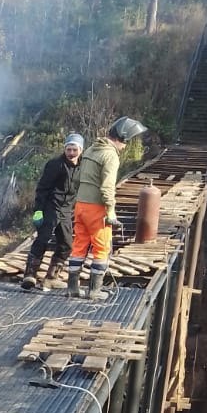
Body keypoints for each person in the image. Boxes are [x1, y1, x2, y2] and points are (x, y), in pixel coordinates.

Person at [68, 117, 147, 301]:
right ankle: (94, 291)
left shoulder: (89, 150)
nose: (125, 146)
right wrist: (110, 210)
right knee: (102, 248)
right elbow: (107, 187)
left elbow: (77, 178)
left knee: (79, 245)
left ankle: (73, 288)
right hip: (97, 208)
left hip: (80, 206)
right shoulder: (110, 155)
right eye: (126, 142)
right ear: (122, 137)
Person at [21, 134, 83, 291]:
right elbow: (42, 188)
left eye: (74, 149)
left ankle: (51, 278)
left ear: (81, 150)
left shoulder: (83, 168)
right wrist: (38, 211)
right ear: (64, 149)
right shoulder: (55, 164)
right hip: (51, 207)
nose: (71, 153)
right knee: (43, 239)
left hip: (67, 210)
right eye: (68, 149)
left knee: (67, 244)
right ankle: (30, 275)